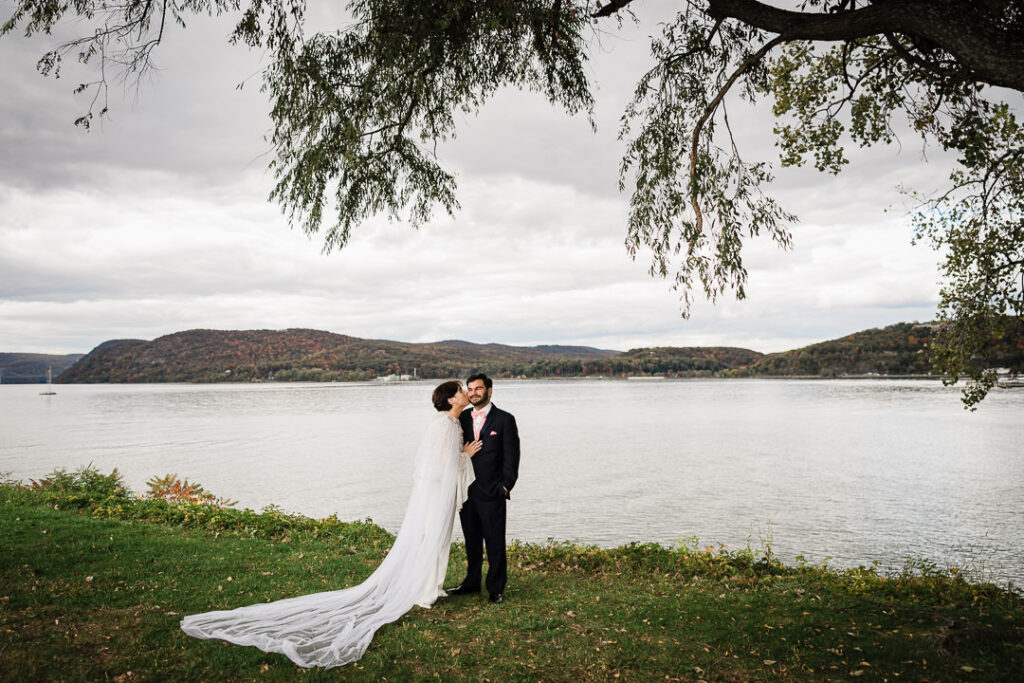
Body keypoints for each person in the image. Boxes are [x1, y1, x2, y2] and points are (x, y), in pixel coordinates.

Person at [180, 381, 482, 669]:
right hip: (433, 494)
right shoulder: (443, 425)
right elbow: (437, 466)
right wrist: (465, 456)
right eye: (460, 390)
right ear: (450, 399)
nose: (465, 393)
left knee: (437, 538)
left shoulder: (453, 423)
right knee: (430, 537)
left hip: (437, 492)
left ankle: (431, 586)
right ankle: (424, 591)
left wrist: (460, 457)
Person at [447, 373, 520, 604]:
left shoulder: (505, 419)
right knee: (472, 540)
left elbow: (512, 458)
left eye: (478, 388)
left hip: (493, 492)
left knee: (495, 542)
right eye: (470, 389)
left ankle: (496, 588)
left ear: (489, 390)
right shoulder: (462, 418)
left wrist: (505, 487)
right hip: (467, 492)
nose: (473, 393)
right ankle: (471, 582)